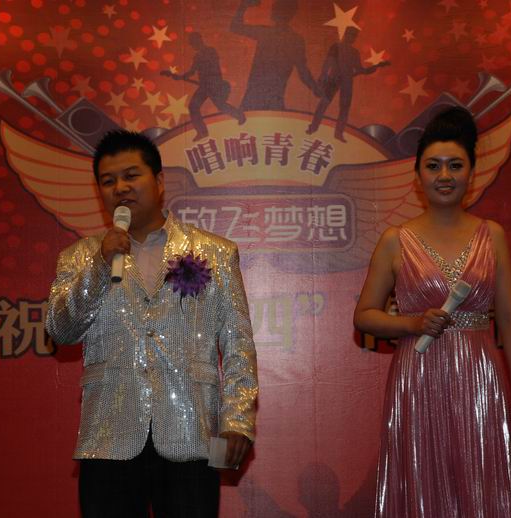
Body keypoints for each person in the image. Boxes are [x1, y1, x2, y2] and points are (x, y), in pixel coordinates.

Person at [45, 130, 258, 518]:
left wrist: (237, 420)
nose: (120, 188)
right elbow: (60, 330)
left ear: (159, 181)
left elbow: (237, 342)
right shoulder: (79, 257)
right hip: (108, 435)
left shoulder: (215, 252)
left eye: (131, 175)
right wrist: (100, 265)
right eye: (108, 181)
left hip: (191, 432)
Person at [353, 107, 511, 517]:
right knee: (422, 484)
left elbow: (510, 319)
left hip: (480, 377)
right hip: (417, 378)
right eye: (433, 165)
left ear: (471, 173)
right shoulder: (395, 239)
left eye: (455, 165)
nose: (444, 175)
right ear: (417, 175)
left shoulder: (492, 235)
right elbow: (364, 315)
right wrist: (411, 323)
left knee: (479, 484)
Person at [230, 0, 320, 110]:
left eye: (275, 8)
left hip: (256, 96)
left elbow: (235, 27)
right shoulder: (295, 40)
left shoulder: (266, 33)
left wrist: (243, 5)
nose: (272, 11)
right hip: (272, 98)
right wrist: (315, 88)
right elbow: (303, 71)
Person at [306, 27, 389, 142]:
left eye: (354, 36)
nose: (352, 38)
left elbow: (360, 70)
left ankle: (338, 133)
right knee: (323, 104)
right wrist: (322, 78)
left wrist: (377, 66)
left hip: (347, 82)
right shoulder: (336, 46)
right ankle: (313, 127)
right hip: (333, 80)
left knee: (344, 108)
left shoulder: (354, 52)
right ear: (345, 34)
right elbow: (328, 62)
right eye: (350, 34)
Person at [161, 32, 245, 141]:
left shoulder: (210, 51)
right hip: (205, 87)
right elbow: (191, 72)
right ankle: (202, 132)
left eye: (193, 43)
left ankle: (240, 116)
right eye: (191, 43)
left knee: (220, 106)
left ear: (198, 40)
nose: (192, 46)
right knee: (193, 107)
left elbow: (215, 68)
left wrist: (212, 82)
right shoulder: (197, 56)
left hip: (214, 84)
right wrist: (176, 76)